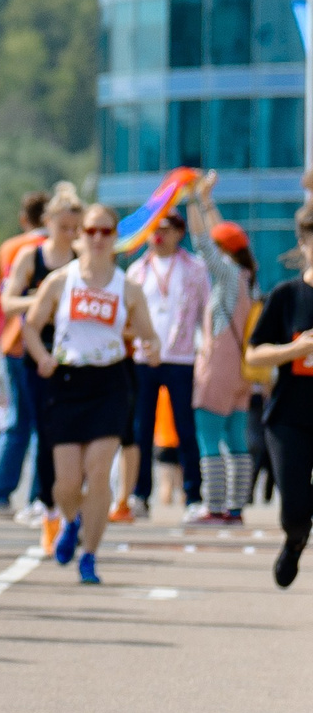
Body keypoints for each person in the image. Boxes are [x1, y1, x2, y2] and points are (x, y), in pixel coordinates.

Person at [22, 203, 156, 584]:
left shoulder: (127, 287)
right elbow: (30, 326)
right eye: (91, 231)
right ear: (79, 235)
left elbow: (147, 331)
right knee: (66, 483)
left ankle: (90, 555)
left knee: (98, 475)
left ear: (116, 238)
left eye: (106, 232)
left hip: (110, 382)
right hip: (66, 382)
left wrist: (154, 345)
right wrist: (43, 357)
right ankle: (71, 520)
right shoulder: (60, 282)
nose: (97, 239)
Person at [1, 181, 83, 529]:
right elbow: (6, 303)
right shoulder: (30, 257)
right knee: (36, 424)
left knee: (68, 431)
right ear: (48, 222)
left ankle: (55, 499)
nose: (70, 234)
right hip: (33, 351)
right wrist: (43, 300)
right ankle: (34, 498)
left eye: (75, 228)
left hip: (76, 352)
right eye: (63, 227)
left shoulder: (82, 259)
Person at [242, 201, 313, 586]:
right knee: (295, 510)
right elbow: (254, 352)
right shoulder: (286, 296)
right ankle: (295, 540)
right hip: (289, 417)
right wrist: (295, 350)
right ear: (303, 244)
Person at [126, 205, 210, 519]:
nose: (158, 235)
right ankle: (140, 494)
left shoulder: (195, 268)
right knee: (141, 429)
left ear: (178, 232)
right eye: (154, 229)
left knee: (185, 428)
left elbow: (206, 313)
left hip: (182, 355)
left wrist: (206, 350)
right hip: (143, 356)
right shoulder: (137, 270)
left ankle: (193, 496)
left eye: (165, 229)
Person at [186, 176, 258, 525]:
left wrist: (190, 202)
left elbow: (203, 242)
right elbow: (219, 236)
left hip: (218, 365)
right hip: (243, 369)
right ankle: (235, 508)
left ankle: (213, 506)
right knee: (236, 438)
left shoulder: (227, 274)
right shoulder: (247, 276)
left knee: (209, 437)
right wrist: (207, 201)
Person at [0, 190, 50, 511]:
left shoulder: (10, 247)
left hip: (12, 341)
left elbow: (1, 291)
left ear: (24, 219)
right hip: (45, 343)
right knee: (43, 422)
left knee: (17, 419)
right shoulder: (55, 250)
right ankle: (37, 497)